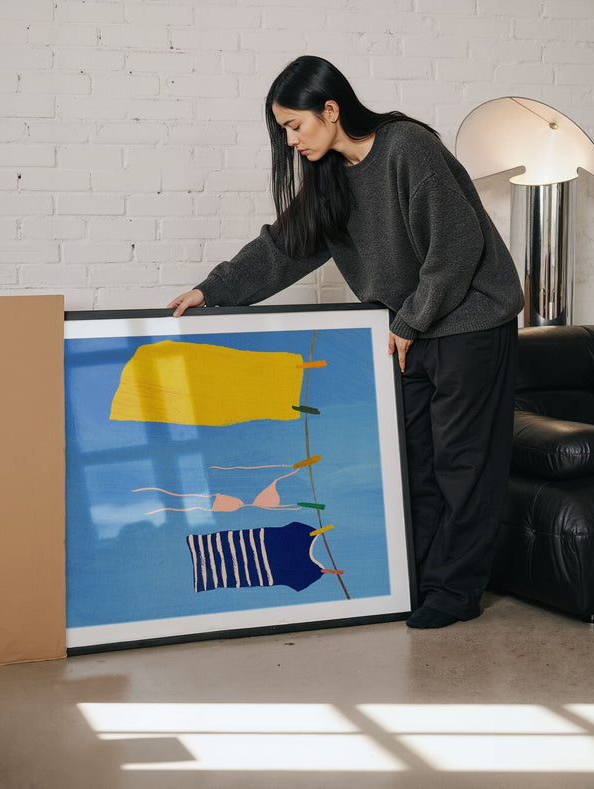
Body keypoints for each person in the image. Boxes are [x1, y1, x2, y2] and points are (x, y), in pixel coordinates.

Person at [168, 55, 525, 629]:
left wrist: (411, 321)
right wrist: (213, 290)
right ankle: (419, 581)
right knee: (414, 463)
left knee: (464, 463)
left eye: (295, 126)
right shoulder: (331, 174)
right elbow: (286, 246)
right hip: (409, 330)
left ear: (330, 110)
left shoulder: (407, 147)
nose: (291, 142)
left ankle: (455, 593)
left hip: (469, 320)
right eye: (283, 130)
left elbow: (456, 246)